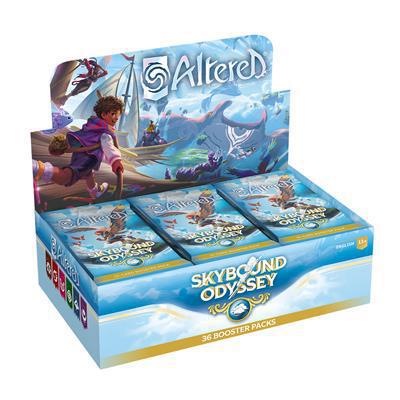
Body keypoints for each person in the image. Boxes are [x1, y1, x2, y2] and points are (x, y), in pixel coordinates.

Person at [33, 96, 124, 199]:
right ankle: (36, 168)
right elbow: (109, 147)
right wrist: (116, 161)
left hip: (80, 154)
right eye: (113, 114)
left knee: (88, 173)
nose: (116, 118)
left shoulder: (93, 122)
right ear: (103, 114)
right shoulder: (105, 133)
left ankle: (95, 191)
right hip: (88, 159)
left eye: (118, 115)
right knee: (65, 177)